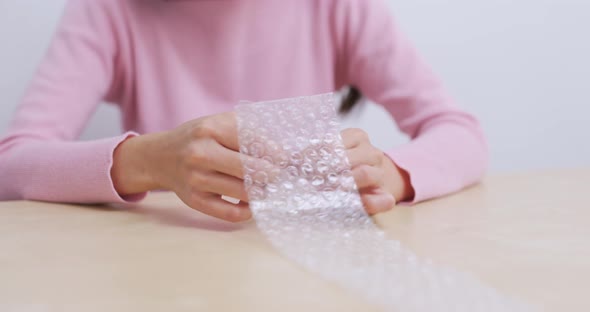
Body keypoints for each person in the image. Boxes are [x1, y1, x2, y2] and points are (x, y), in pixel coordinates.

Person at [0, 0, 487, 222]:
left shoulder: (338, 7)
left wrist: (391, 174)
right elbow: (11, 164)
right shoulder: (109, 10)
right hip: (165, 275)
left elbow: (459, 132)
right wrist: (147, 161)